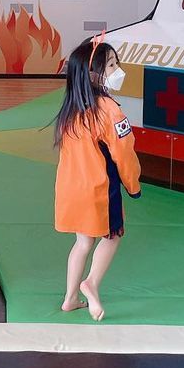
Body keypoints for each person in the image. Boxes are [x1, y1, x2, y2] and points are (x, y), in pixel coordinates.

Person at [53, 36, 141, 321]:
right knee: (113, 236)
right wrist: (133, 185)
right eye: (111, 65)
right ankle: (90, 284)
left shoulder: (70, 109)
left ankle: (69, 299)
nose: (118, 70)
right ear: (93, 74)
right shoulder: (110, 110)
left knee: (83, 243)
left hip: (71, 189)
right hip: (99, 191)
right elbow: (124, 153)